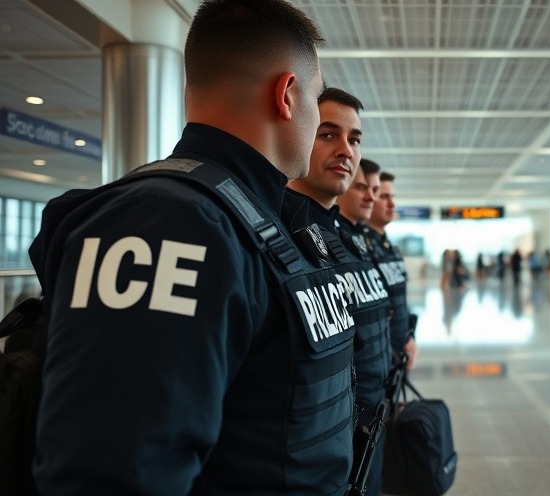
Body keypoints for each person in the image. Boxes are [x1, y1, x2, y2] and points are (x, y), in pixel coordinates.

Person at [27, 2, 356, 495]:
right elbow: (116, 469)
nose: (316, 122)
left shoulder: (252, 218)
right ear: (287, 94)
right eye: (315, 97)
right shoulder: (166, 224)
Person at [287, 100, 392, 496]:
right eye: (328, 134)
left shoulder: (338, 243)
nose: (346, 150)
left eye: (355, 139)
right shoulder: (277, 233)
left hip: (357, 437)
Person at [366, 169, 418, 369]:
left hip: (399, 354)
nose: (392, 204)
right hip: (381, 359)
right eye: (384, 197)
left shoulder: (391, 249)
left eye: (392, 197)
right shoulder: (360, 251)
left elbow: (401, 300)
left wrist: (410, 337)